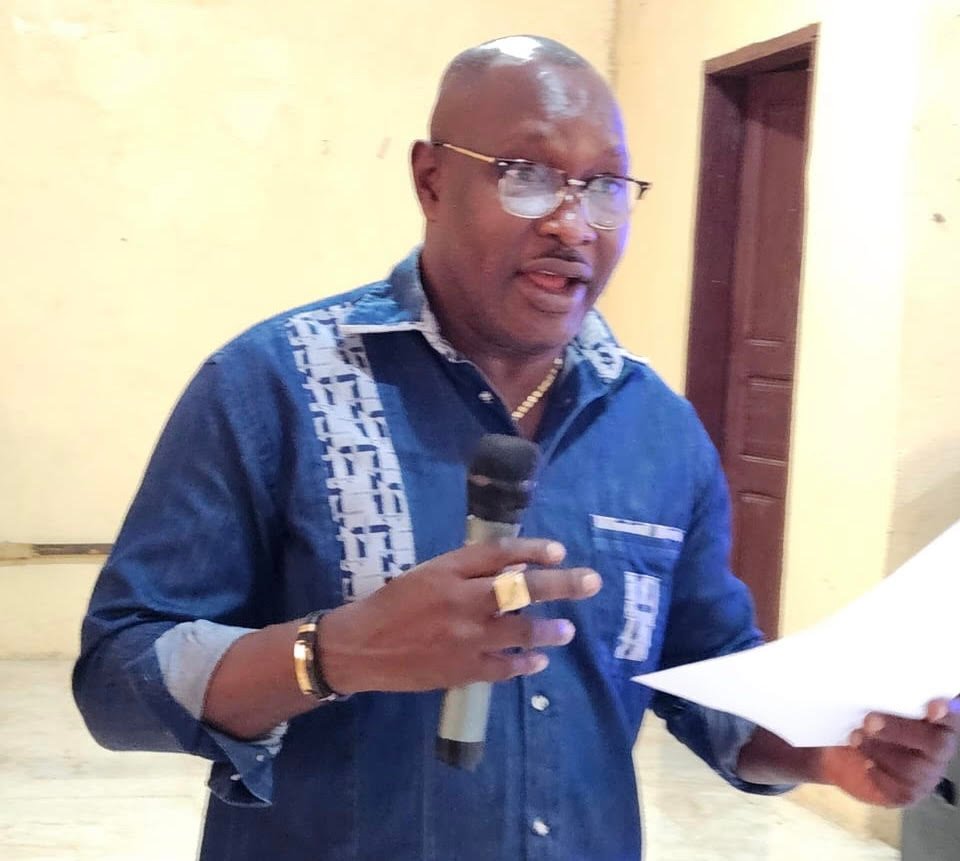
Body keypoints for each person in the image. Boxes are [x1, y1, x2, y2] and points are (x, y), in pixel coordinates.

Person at [73, 35, 958, 861]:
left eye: (606, 185)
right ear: (430, 180)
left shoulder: (658, 429)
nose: (574, 223)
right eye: (528, 176)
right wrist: (332, 652)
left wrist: (825, 750)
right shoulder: (270, 385)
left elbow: (709, 681)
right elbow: (118, 678)